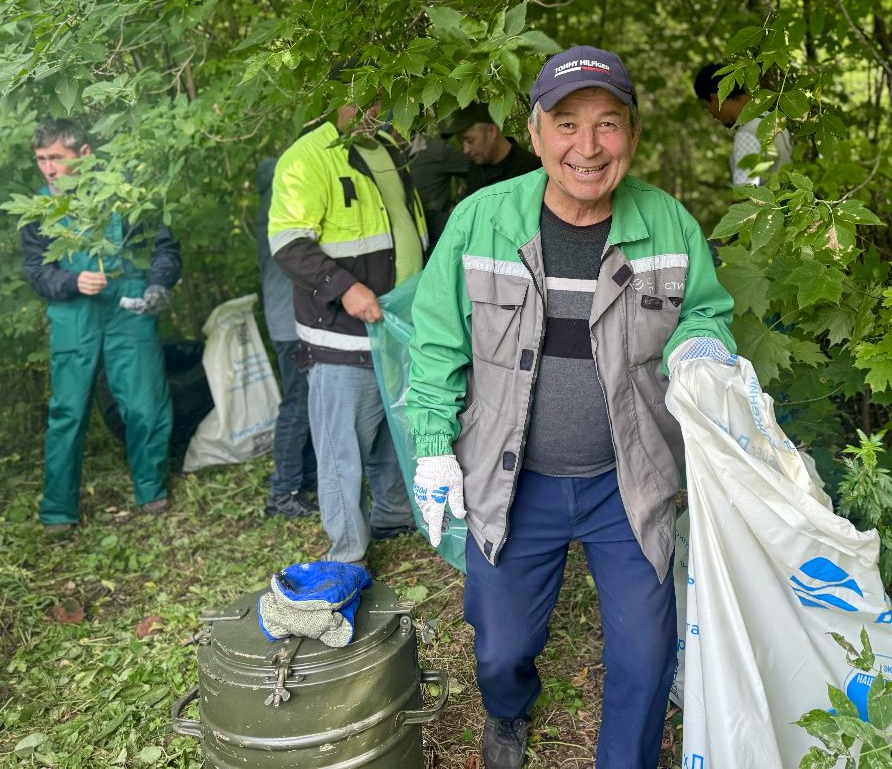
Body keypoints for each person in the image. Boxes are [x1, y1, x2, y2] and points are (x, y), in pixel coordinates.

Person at [404, 47, 739, 769]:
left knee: (649, 656)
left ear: (633, 136)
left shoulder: (669, 223)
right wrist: (433, 445)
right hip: (515, 480)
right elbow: (434, 345)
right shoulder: (479, 223)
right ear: (535, 133)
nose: (587, 147)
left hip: (631, 481)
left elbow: (705, 313)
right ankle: (508, 711)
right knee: (500, 647)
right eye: (567, 124)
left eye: (608, 124)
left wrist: (704, 344)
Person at [268, 99, 426, 564]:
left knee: (390, 432)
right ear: (340, 98)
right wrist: (344, 287)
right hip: (340, 331)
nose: (379, 108)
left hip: (395, 326)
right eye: (368, 98)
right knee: (343, 449)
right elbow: (288, 243)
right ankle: (349, 552)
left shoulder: (387, 147)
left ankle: (394, 518)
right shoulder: (307, 156)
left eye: (383, 98)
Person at [21, 118, 180, 534]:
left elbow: (164, 248)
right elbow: (38, 272)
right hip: (75, 314)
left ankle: (151, 488)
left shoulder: (126, 195)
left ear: (85, 155)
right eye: (41, 160)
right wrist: (72, 281)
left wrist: (160, 283)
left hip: (129, 309)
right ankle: (58, 511)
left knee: (145, 405)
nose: (49, 169)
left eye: (56, 158)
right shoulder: (36, 210)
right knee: (67, 413)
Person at [255, 156, 318, 518]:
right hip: (292, 322)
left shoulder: (267, 208)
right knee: (297, 404)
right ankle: (283, 492)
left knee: (305, 402)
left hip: (285, 320)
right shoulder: (283, 209)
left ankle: (302, 479)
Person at [693, 62, 794, 186]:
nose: (713, 115)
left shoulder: (748, 133)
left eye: (707, 107)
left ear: (715, 99)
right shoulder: (773, 119)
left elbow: (745, 192)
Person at [440, 103, 542, 194]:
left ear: (492, 131)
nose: (466, 150)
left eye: (470, 140)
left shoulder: (531, 170)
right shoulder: (475, 169)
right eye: (461, 142)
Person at [407, 131, 470, 246]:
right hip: (405, 240)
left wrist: (462, 207)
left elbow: (476, 169)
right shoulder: (383, 152)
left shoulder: (437, 151)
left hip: (437, 239)